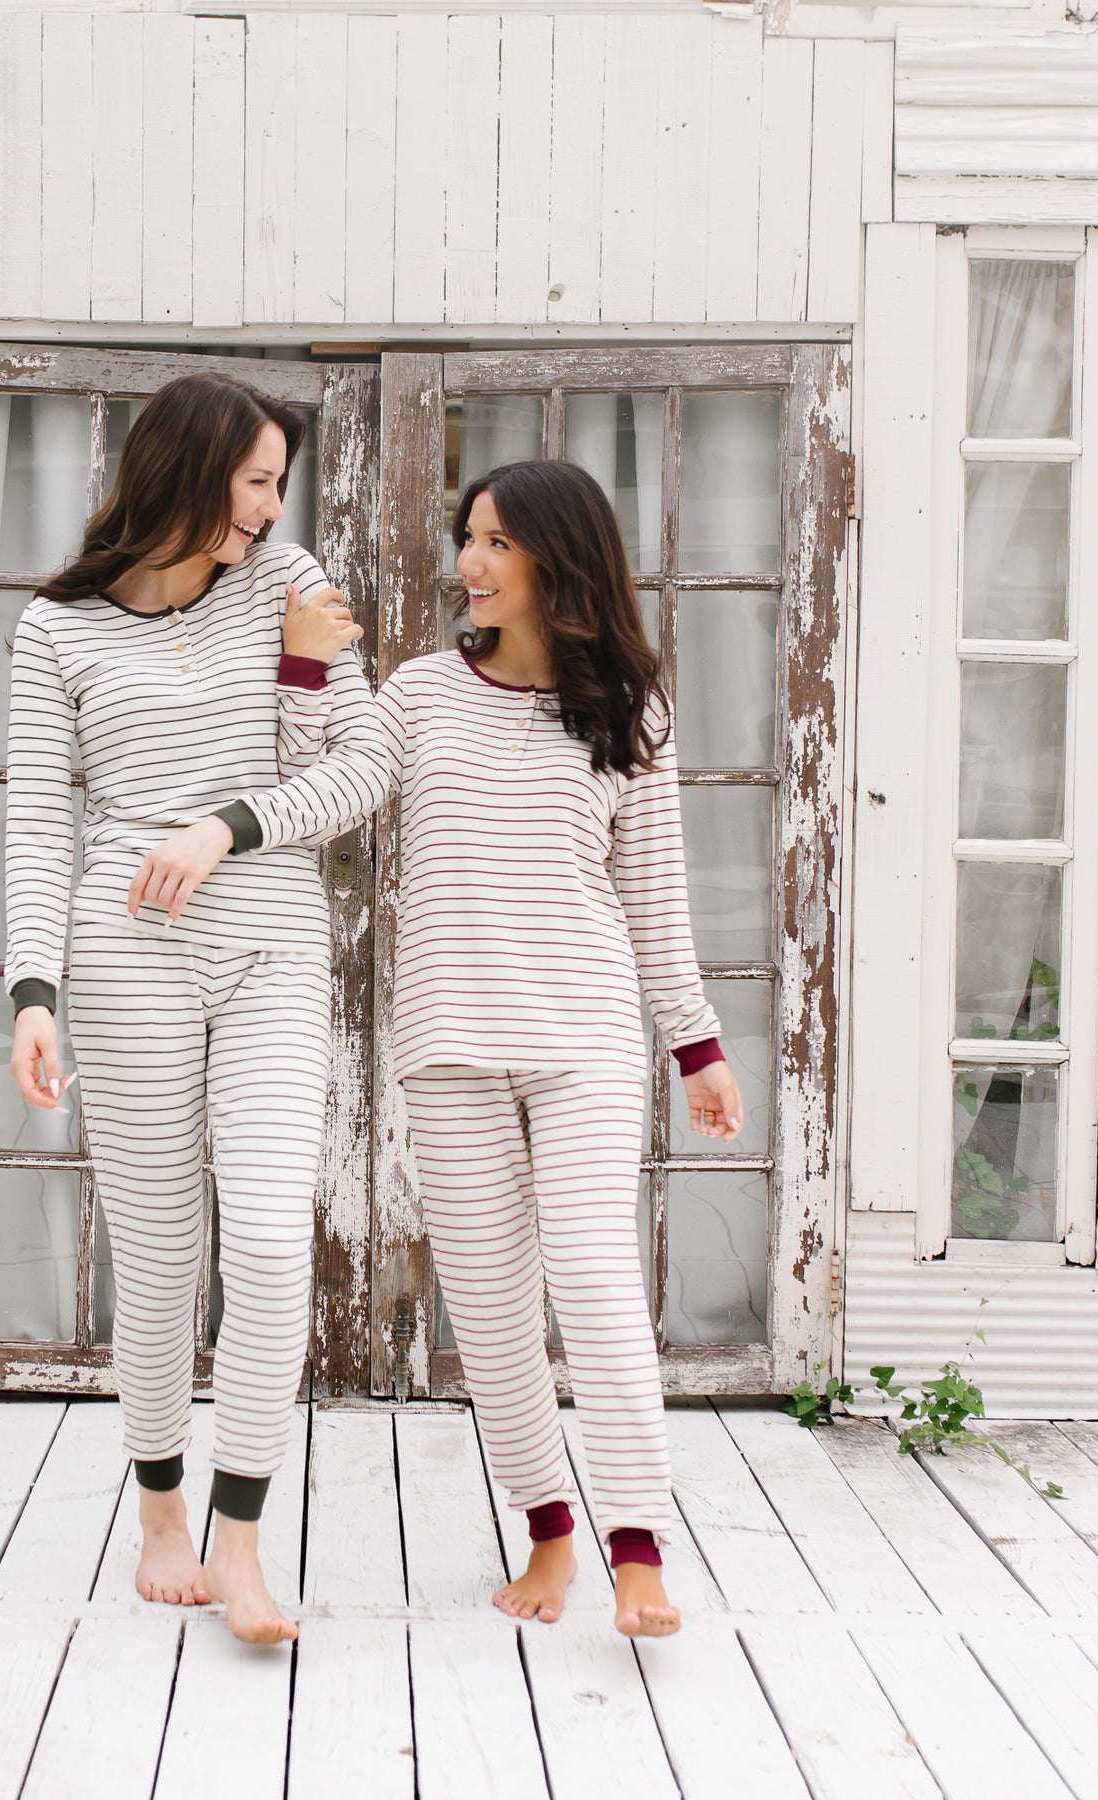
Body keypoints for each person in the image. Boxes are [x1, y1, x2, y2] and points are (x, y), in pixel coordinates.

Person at [325, 458, 742, 1634]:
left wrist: (696, 1045)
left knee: (599, 1286)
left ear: (561, 556)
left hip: (584, 1038)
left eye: (498, 542)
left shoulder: (631, 711)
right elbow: (331, 785)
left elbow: (655, 902)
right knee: (494, 1312)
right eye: (468, 537)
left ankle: (640, 1549)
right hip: (449, 1038)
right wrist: (310, 664)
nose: (471, 561)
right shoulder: (415, 695)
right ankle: (549, 1533)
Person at [5, 372, 386, 1644]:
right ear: (185, 472)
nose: (275, 509)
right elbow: (37, 823)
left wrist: (232, 819)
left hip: (268, 937)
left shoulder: (288, 583)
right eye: (257, 482)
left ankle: (240, 1537)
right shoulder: (55, 631)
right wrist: (34, 990)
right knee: (163, 1263)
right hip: (125, 960)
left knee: (272, 1245)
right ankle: (161, 1512)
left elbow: (357, 766)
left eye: (281, 485)